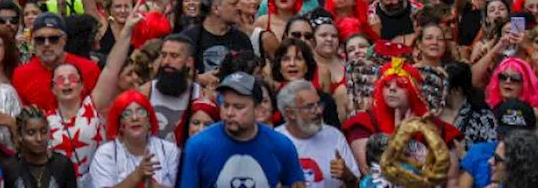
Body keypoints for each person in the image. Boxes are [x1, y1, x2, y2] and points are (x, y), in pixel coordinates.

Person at [177, 72, 306, 188]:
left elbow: (296, 183)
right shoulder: (198, 146)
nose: (229, 113)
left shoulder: (281, 146)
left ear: (257, 109)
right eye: (225, 105)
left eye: (238, 107)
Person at [88, 91, 181, 188]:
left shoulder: (169, 150)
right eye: (127, 114)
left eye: (141, 112)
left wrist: (153, 186)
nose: (135, 117)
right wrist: (136, 176)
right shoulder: (106, 153)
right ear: (119, 125)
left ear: (149, 121)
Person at [275, 80, 358, 188]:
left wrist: (348, 176)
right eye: (309, 107)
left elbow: (356, 184)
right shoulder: (273, 141)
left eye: (319, 104)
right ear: (290, 113)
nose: (319, 111)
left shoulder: (334, 136)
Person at [13, 13, 101, 111]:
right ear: (33, 41)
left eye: (53, 39)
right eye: (40, 40)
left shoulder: (89, 69)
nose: (46, 44)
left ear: (64, 40)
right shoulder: (21, 75)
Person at [0, 106, 77, 188]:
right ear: (20, 135)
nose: (39, 138)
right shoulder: (10, 168)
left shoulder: (63, 165)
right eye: (31, 133)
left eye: (43, 132)